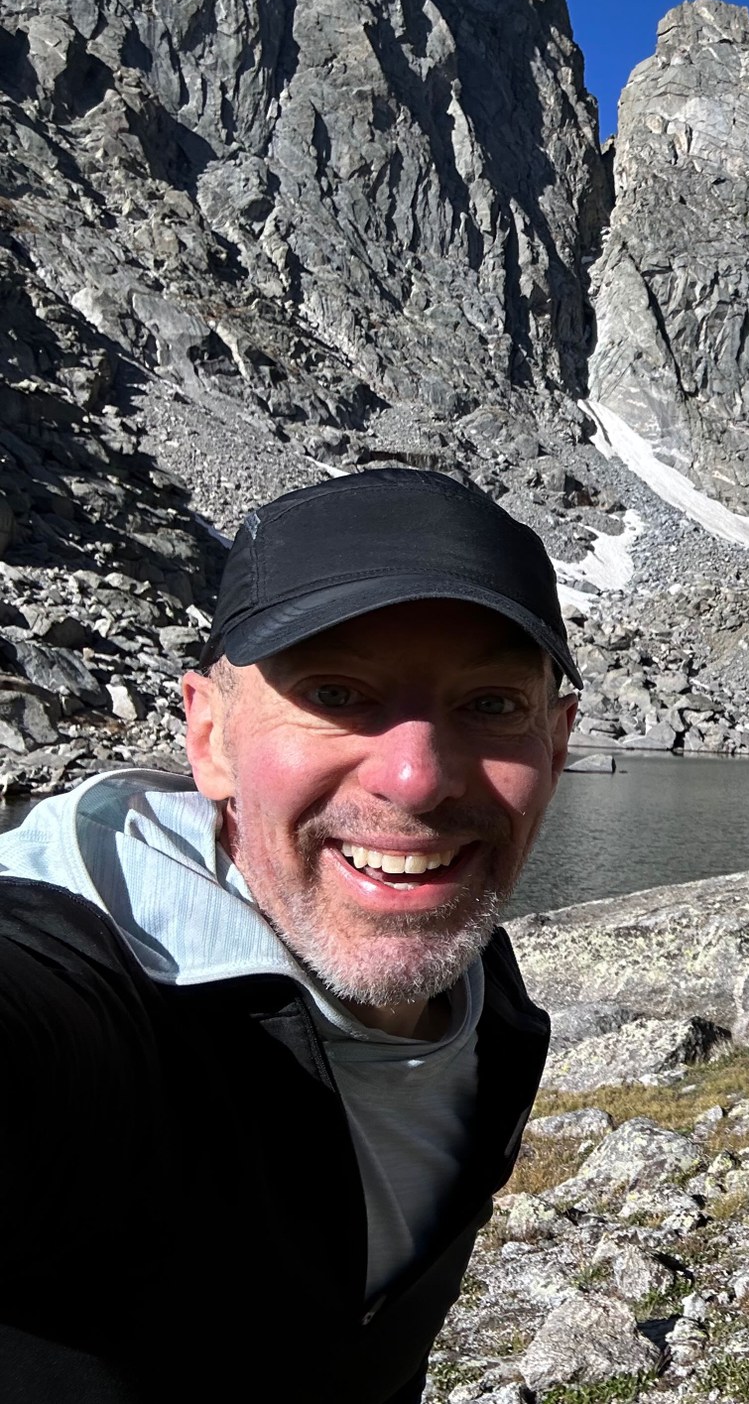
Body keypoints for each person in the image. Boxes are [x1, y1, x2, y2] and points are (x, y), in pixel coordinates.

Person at [0, 469, 578, 1402]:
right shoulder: (81, 983)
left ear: (557, 743)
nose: (417, 778)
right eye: (337, 693)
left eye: (492, 705)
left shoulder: (488, 1002)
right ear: (211, 738)